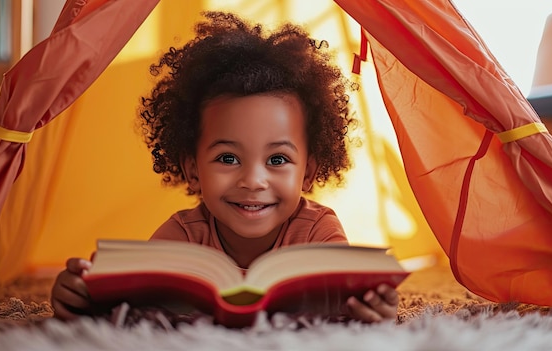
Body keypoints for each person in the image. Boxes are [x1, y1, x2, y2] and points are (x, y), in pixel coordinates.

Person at [51, 11, 399, 324]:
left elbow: (348, 301)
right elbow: (133, 305)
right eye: (227, 159)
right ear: (192, 168)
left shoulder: (318, 232)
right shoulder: (182, 236)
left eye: (277, 160)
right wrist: (84, 295)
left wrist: (372, 306)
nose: (252, 181)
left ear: (307, 172)